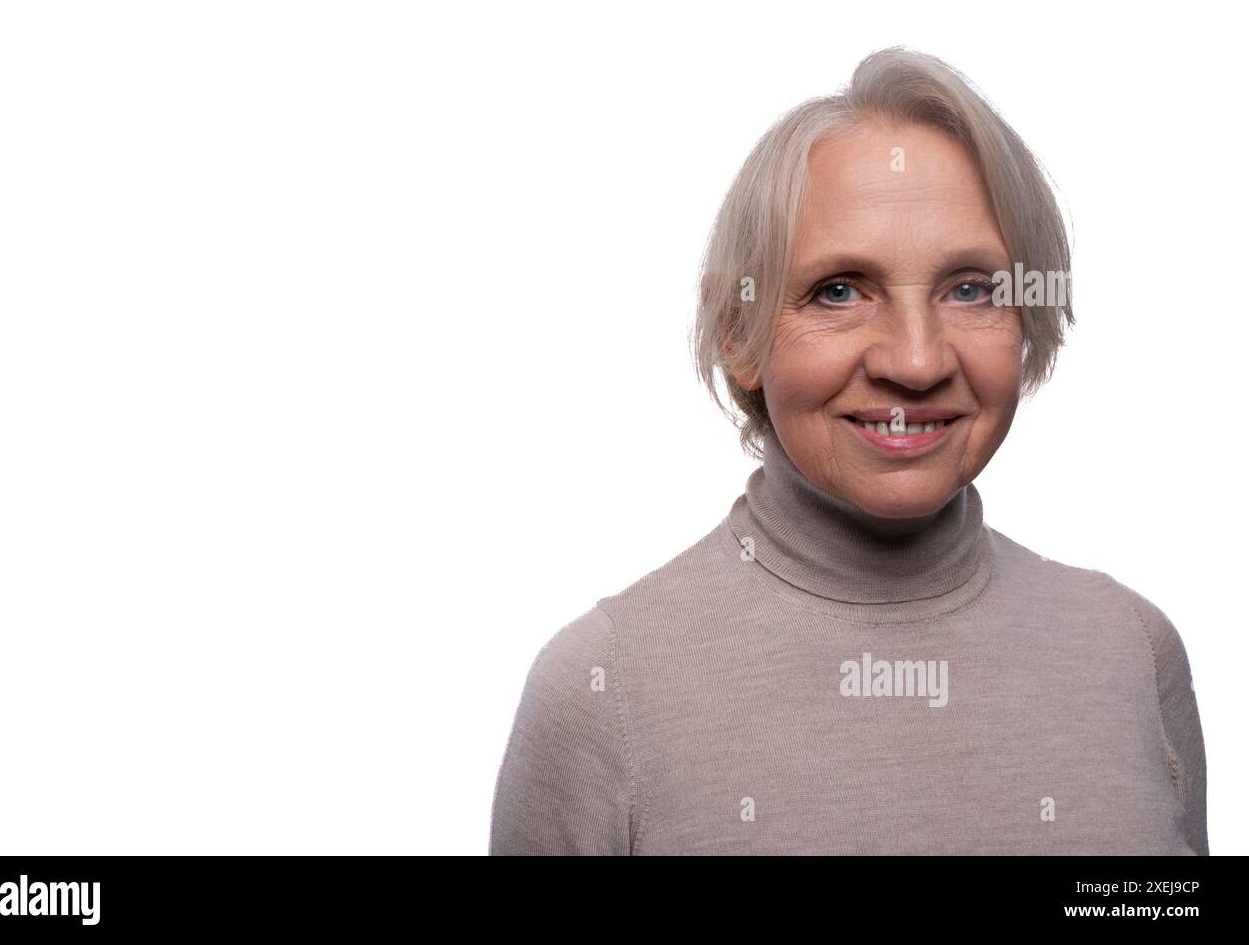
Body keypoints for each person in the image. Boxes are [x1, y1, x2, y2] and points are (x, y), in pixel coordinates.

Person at [489, 47, 1208, 855]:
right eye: (839, 291)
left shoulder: (1131, 651)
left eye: (970, 289)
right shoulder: (601, 690)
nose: (915, 360)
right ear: (739, 332)